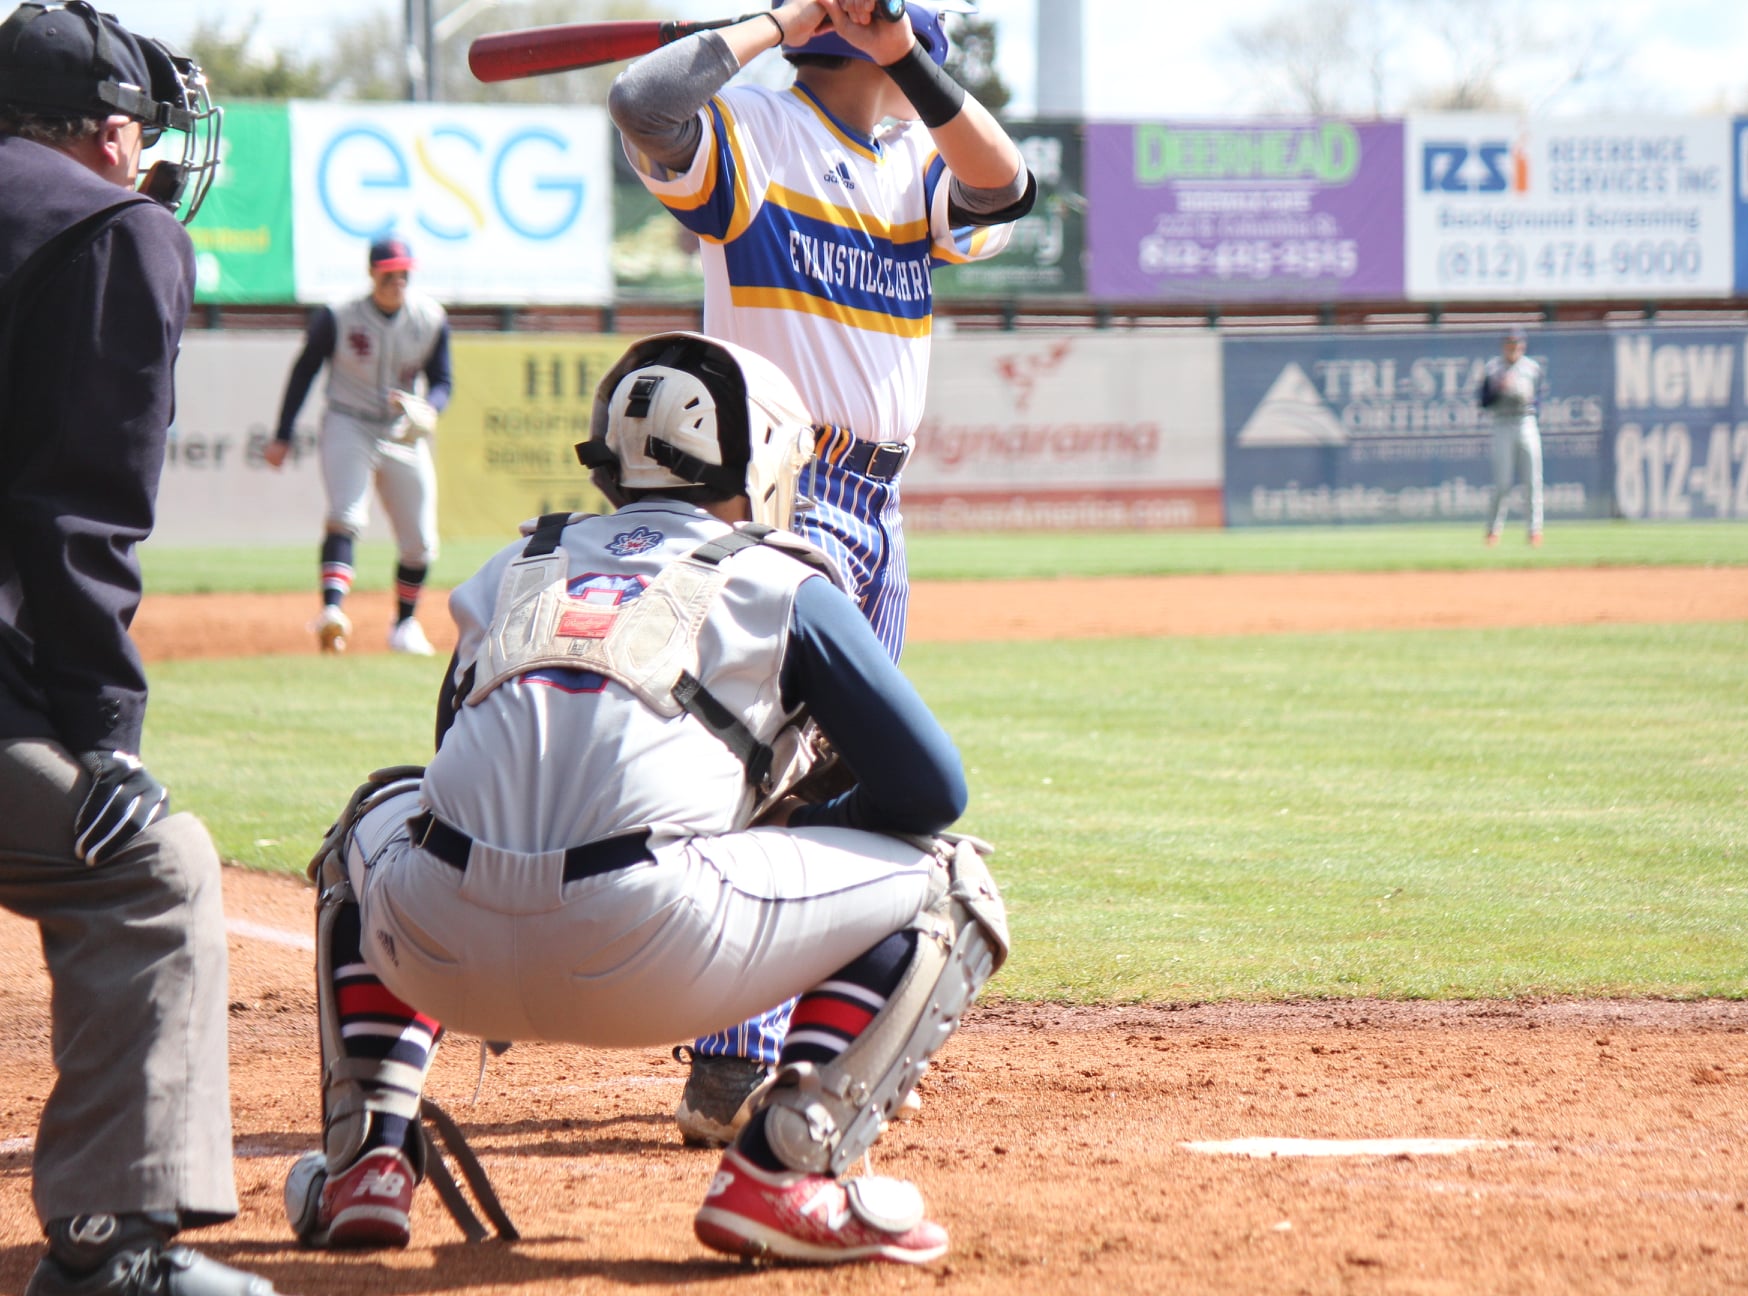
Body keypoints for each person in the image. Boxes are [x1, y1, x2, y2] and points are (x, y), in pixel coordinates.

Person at [280, 331, 1007, 1266]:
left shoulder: (513, 568)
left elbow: (450, 766)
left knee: (376, 812)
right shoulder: (782, 579)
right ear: (764, 458)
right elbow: (931, 790)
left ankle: (364, 1162)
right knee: (953, 882)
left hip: (440, 948)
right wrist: (785, 820)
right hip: (657, 956)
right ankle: (790, 1166)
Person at [607, 0, 1034, 1145]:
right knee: (775, 771)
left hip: (878, 502)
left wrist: (899, 59)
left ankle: (810, 1040)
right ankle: (735, 1061)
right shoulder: (754, 126)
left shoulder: (914, 155)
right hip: (780, 494)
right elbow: (640, 104)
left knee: (855, 786)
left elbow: (1009, 188)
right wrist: (782, 20)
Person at [0, 4, 285, 1294]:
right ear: (113, 133)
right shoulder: (112, 228)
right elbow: (79, 519)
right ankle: (115, 1254)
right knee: (145, 871)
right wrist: (105, 734)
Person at [267, 236, 451, 656]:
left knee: (420, 539)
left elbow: (443, 381)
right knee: (346, 515)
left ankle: (404, 626)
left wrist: (430, 406)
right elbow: (305, 372)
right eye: (389, 272)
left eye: (404, 272)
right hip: (348, 421)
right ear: (373, 273)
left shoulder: (430, 318)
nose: (397, 280)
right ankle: (332, 612)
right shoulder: (339, 316)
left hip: (402, 430)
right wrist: (282, 433)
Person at [1480, 326, 1545, 547]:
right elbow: (1484, 401)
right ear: (1503, 346)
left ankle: (1535, 531)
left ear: (1522, 346)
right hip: (1502, 423)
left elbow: (1540, 400)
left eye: (1516, 344)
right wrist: (1500, 389)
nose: (1513, 348)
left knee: (1533, 481)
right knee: (1502, 483)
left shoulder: (1531, 368)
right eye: (1509, 344)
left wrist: (1527, 397)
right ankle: (1493, 530)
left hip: (1525, 421)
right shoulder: (1493, 368)